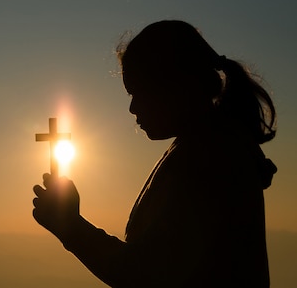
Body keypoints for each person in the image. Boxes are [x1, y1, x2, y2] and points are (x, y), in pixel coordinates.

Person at [32, 20, 277, 288]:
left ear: (177, 86)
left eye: (139, 93)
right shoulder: (207, 146)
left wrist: (71, 227)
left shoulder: (209, 161)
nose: (132, 108)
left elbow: (148, 273)